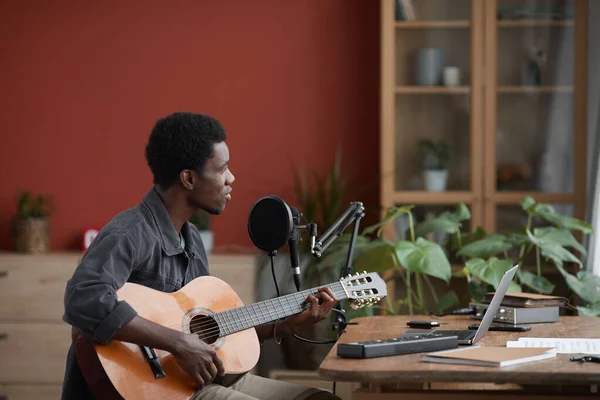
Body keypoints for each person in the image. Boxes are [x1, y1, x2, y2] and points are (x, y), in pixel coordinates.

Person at [62, 112, 341, 400]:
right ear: (189, 178)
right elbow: (83, 297)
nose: (231, 178)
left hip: (195, 381)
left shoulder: (191, 238)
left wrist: (284, 325)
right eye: (222, 169)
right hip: (156, 391)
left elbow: (212, 332)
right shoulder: (129, 233)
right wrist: (179, 343)